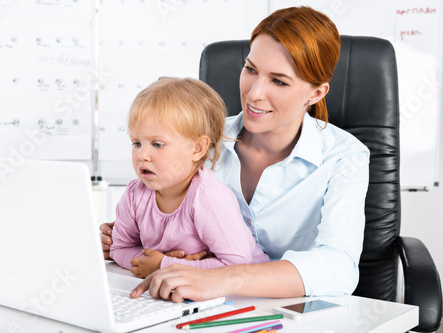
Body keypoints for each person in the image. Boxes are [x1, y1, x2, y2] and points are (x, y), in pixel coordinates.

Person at [101, 6, 369, 301]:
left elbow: (339, 268)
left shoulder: (345, 157)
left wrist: (225, 276)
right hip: (194, 306)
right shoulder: (199, 140)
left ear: (316, 93)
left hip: (294, 312)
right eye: (251, 69)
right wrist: (130, 238)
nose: (254, 93)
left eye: (278, 81)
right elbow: (160, 215)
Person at [109, 77, 269, 278]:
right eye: (137, 143)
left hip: (246, 294)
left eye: (157, 144)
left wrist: (164, 265)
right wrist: (153, 262)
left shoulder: (208, 196)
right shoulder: (135, 194)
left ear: (198, 148)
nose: (142, 155)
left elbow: (238, 265)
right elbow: (119, 248)